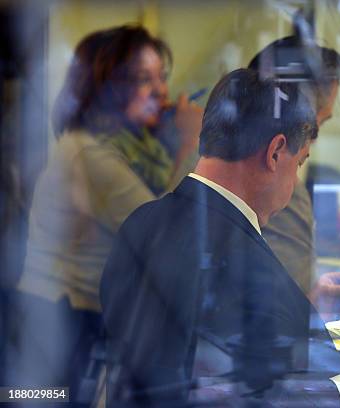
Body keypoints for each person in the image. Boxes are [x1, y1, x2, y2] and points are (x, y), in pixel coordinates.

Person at [100, 68, 340, 407]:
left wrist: (298, 310)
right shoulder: (245, 263)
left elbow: (178, 347)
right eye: (300, 163)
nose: (294, 184)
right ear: (276, 152)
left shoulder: (141, 223)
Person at [7, 25, 203, 399]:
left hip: (67, 321)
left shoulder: (111, 148)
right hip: (61, 325)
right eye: (144, 79)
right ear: (108, 87)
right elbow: (163, 230)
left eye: (162, 77)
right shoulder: (91, 156)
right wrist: (192, 141)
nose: (161, 91)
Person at [248, 34, 340, 313]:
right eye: (318, 123)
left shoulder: (215, 163)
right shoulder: (275, 183)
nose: (315, 140)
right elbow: (291, 311)